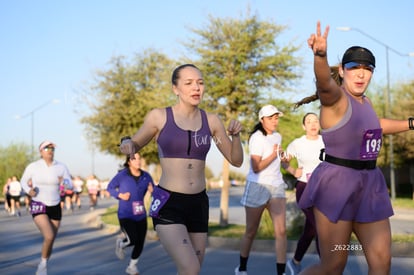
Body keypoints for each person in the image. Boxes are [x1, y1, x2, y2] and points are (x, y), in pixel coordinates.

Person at [298, 21, 414, 275]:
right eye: (354, 67)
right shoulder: (336, 100)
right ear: (342, 70)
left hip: (370, 185)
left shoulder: (366, 102)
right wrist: (320, 56)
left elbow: (377, 125)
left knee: (382, 262)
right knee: (334, 265)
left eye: (367, 68)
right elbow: (324, 85)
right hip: (337, 186)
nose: (361, 73)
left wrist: (411, 123)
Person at [119, 63, 243, 275]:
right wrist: (127, 144)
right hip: (169, 202)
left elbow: (236, 160)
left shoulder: (211, 121)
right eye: (189, 83)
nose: (196, 88)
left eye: (200, 83)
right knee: (191, 268)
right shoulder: (159, 116)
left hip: (198, 203)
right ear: (175, 88)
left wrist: (236, 136)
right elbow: (135, 143)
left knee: (191, 270)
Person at [235, 104, 287, 275]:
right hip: (258, 186)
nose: (274, 120)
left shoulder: (278, 136)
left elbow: (277, 160)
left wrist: (282, 157)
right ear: (262, 119)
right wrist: (273, 155)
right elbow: (256, 167)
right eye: (271, 117)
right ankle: (242, 268)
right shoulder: (257, 138)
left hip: (277, 185)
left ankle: (281, 272)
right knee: (251, 231)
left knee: (281, 231)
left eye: (276, 117)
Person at [20, 140, 72, 275]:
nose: (50, 151)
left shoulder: (61, 166)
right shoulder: (34, 166)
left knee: (52, 239)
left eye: (52, 149)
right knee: (48, 236)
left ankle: (44, 262)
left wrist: (64, 183)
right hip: (39, 203)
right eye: (47, 148)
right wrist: (29, 190)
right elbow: (23, 181)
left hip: (55, 204)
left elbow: (69, 183)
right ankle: (42, 266)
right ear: (41, 152)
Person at [282, 113, 324, 274]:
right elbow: (284, 161)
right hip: (305, 188)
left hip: (324, 190)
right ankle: (327, 265)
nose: (313, 124)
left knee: (311, 229)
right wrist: (293, 171)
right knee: (321, 226)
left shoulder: (326, 140)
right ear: (303, 126)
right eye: (308, 121)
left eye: (315, 121)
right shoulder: (297, 144)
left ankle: (294, 262)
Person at [107, 152, 155, 275]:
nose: (138, 161)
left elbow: (154, 191)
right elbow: (110, 188)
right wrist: (120, 195)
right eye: (134, 159)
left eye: (139, 158)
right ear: (129, 162)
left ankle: (132, 266)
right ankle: (121, 243)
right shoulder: (122, 175)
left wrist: (152, 191)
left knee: (140, 242)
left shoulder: (146, 176)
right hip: (125, 214)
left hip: (140, 214)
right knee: (132, 239)